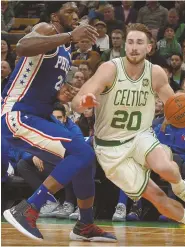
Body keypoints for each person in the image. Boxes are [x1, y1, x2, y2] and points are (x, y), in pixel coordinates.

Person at [72, 23, 185, 246]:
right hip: (110, 148)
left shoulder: (154, 72)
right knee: (158, 199)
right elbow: (79, 98)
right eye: (130, 42)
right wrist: (84, 101)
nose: (134, 47)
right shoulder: (110, 68)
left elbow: (174, 105)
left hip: (139, 135)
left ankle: (182, 187)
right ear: (124, 45)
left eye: (139, 43)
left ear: (149, 47)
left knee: (165, 167)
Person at [2, 1, 116, 242]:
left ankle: (85, 224)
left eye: (77, 11)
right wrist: (70, 35)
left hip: (37, 116)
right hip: (17, 114)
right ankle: (28, 209)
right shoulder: (46, 29)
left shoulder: (63, 49)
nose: (75, 15)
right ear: (56, 16)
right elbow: (22, 47)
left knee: (85, 158)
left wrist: (60, 94)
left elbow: (39, 81)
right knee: (82, 153)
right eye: (69, 11)